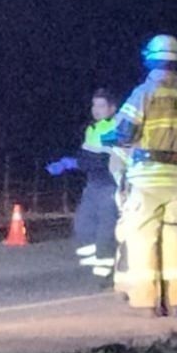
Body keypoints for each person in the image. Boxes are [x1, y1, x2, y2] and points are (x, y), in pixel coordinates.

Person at [108, 33, 177, 316]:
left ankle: (146, 305)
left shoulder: (144, 92)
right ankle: (176, 304)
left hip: (148, 177)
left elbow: (125, 132)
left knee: (143, 239)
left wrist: (108, 138)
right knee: (173, 237)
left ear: (149, 58)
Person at [46, 89, 126, 277]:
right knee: (83, 225)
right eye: (93, 105)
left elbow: (101, 161)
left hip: (110, 185)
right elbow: (87, 157)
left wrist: (69, 163)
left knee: (105, 229)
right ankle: (99, 267)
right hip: (93, 185)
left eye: (101, 106)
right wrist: (70, 162)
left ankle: (105, 271)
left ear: (112, 109)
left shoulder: (115, 128)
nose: (95, 110)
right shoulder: (92, 129)